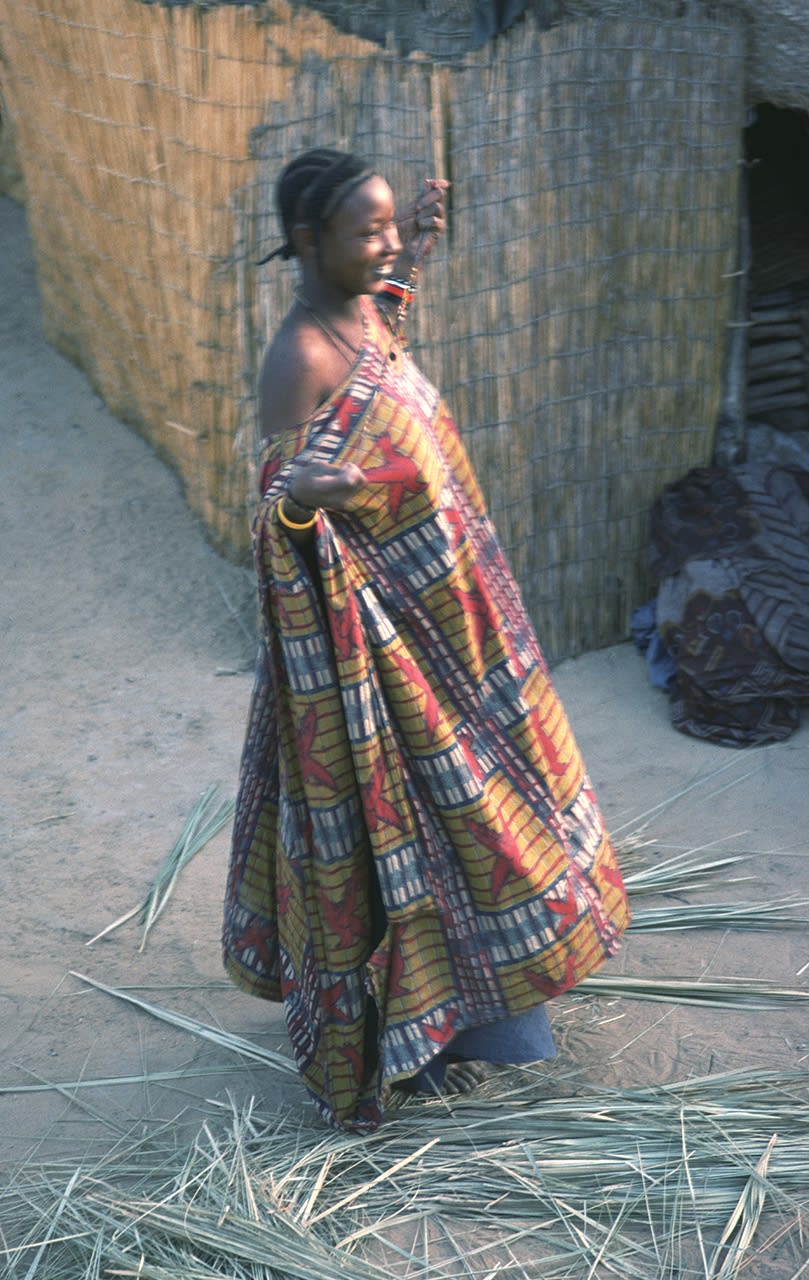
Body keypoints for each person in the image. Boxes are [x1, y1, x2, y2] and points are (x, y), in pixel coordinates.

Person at [223, 147, 630, 1132]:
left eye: (391, 225)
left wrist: (419, 249)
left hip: (460, 618)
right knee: (435, 821)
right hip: (381, 658)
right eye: (367, 231)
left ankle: (498, 1018)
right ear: (309, 242)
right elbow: (279, 508)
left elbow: (386, 336)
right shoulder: (298, 357)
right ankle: (421, 1036)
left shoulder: (362, 307)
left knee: (498, 796)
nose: (387, 243)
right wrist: (299, 502)